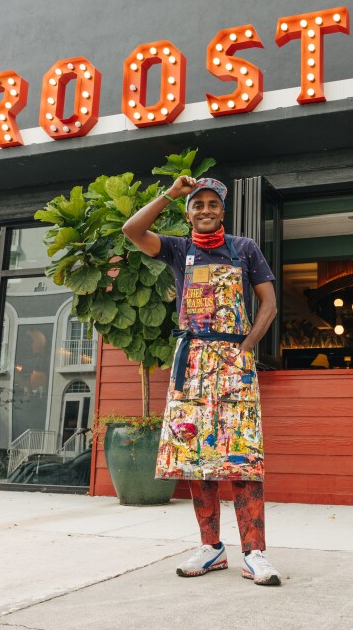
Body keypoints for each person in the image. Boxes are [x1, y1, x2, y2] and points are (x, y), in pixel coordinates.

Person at [123, 175, 281, 586]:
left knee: (244, 457)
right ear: (188, 212)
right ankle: (211, 547)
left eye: (213, 204)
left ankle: (255, 553)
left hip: (234, 364)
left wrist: (246, 347)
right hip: (191, 364)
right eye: (198, 205)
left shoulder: (244, 249)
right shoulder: (178, 248)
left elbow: (269, 302)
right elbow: (132, 230)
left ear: (223, 212)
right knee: (196, 458)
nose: (206, 210)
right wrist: (169, 194)